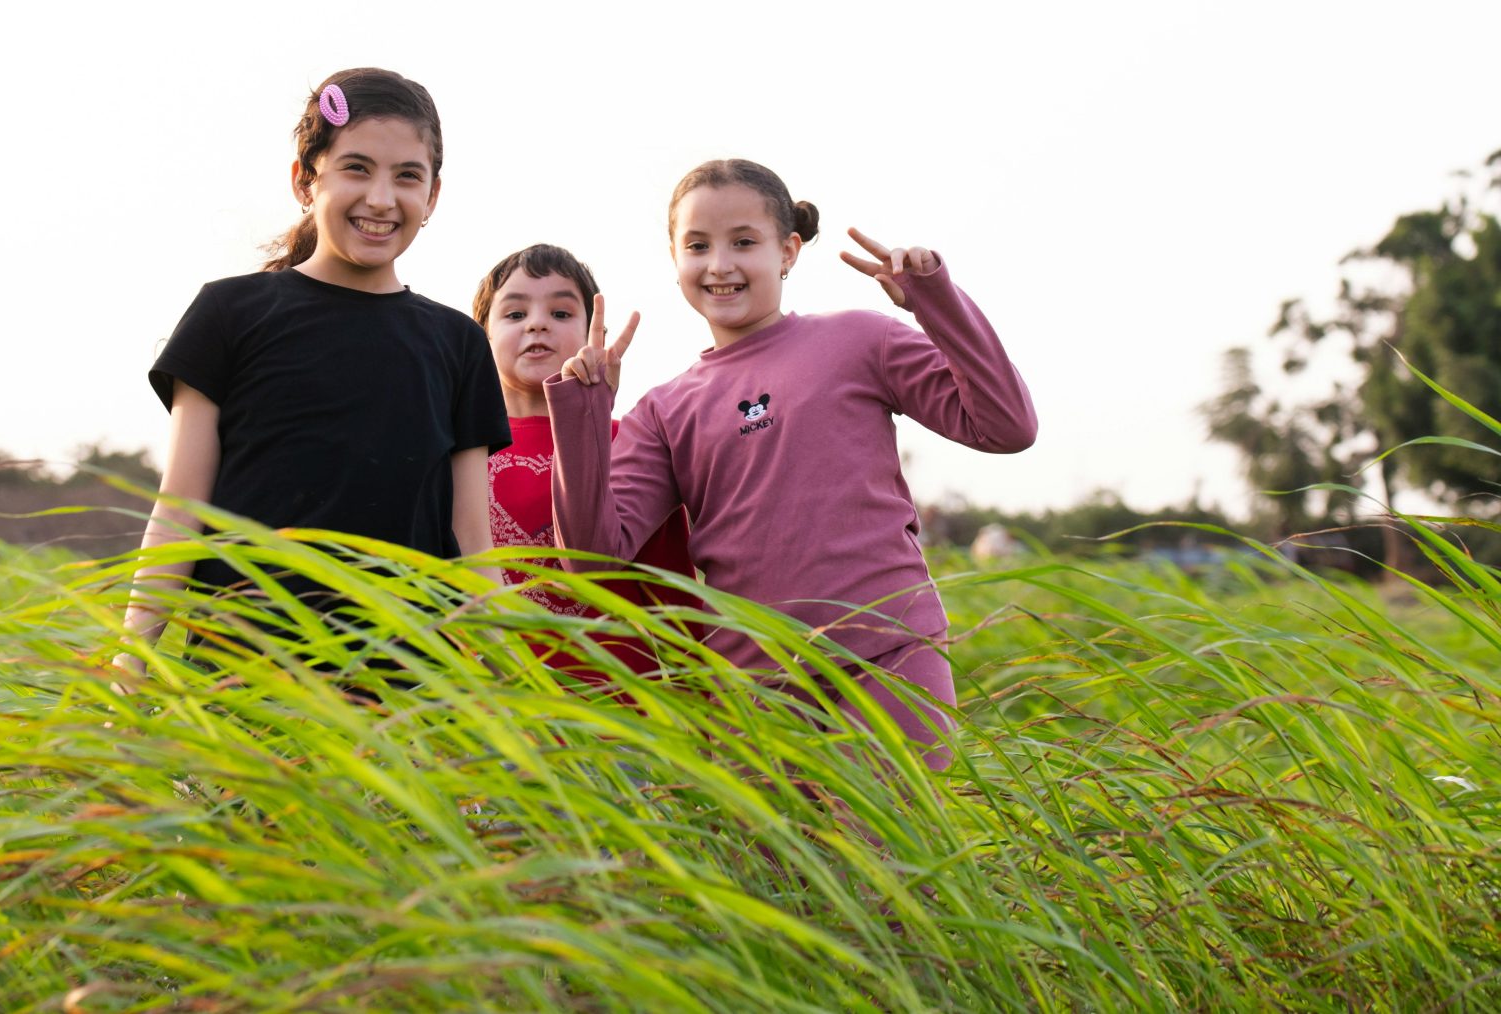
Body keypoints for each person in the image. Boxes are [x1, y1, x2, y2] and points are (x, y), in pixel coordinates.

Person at [546, 159, 1037, 767]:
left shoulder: (862, 340)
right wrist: (584, 413)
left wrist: (936, 302)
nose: (720, 264)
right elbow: (594, 556)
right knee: (779, 866)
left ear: (788, 251)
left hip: (890, 655)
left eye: (744, 242)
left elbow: (1006, 427)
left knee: (889, 856)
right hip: (756, 689)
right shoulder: (664, 410)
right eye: (697, 246)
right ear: (674, 261)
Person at [119, 68, 508, 679]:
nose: (381, 198)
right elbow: (180, 510)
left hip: (409, 693)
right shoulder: (229, 313)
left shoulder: (457, 342)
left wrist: (508, 678)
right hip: (243, 679)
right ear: (305, 179)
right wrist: (132, 662)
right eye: (356, 168)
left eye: (408, 176)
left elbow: (471, 539)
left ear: (432, 197)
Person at [472, 244, 695, 619]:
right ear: (481, 336)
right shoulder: (462, 449)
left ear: (597, 335)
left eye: (560, 313)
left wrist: (692, 674)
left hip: (620, 675)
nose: (537, 324)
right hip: (491, 672)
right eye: (515, 313)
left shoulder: (633, 441)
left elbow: (672, 589)